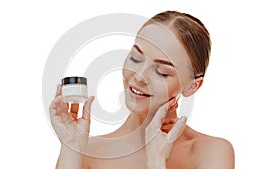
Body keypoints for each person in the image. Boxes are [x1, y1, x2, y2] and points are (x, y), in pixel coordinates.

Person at [49, 10, 235, 169]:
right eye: (136, 58)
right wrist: (71, 149)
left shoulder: (212, 152)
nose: (138, 76)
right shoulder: (87, 152)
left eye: (161, 72)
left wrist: (156, 160)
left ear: (192, 86)